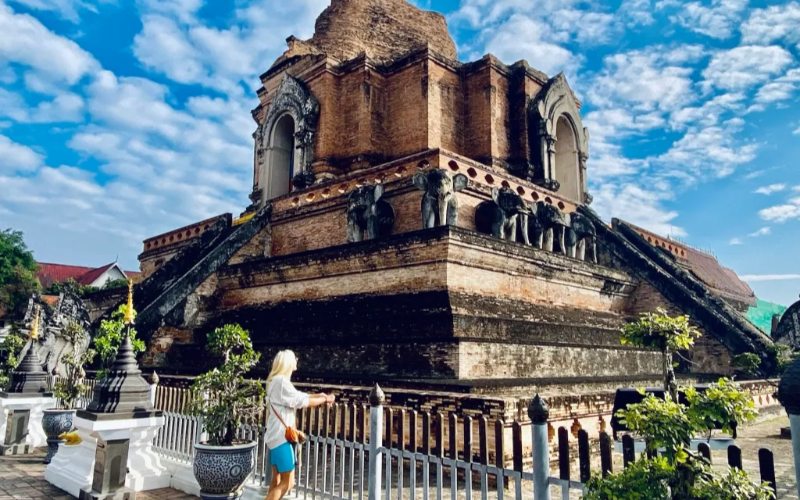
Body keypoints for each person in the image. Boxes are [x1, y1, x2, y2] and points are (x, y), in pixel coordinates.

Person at [265, 350, 334, 500]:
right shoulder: (281, 382)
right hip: (282, 439)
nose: (297, 360)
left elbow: (300, 396)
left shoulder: (275, 382)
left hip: (275, 437)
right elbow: (301, 401)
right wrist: (325, 399)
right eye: (294, 358)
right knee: (288, 483)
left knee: (276, 479)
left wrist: (322, 396)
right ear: (288, 362)